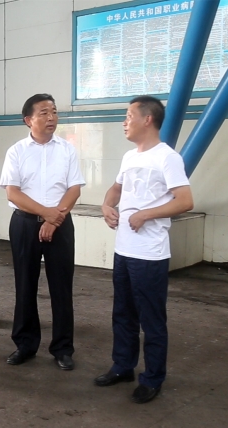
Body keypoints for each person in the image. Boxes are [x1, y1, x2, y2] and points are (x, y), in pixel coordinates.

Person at [95, 95, 193, 404]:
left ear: (147, 119)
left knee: (151, 318)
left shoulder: (167, 157)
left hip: (150, 254)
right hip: (124, 249)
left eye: (129, 116)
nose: (124, 122)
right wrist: (106, 205)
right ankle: (123, 366)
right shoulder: (129, 157)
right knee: (123, 313)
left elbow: (185, 201)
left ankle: (152, 378)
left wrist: (145, 214)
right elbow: (116, 189)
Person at [0, 93, 85, 370]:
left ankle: (63, 348)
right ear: (28, 120)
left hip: (60, 223)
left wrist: (53, 219)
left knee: (62, 286)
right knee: (25, 285)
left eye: (54, 112)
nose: (51, 118)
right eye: (44, 113)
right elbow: (12, 192)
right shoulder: (16, 151)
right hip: (24, 224)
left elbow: (74, 188)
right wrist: (45, 213)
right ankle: (25, 344)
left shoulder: (67, 149)